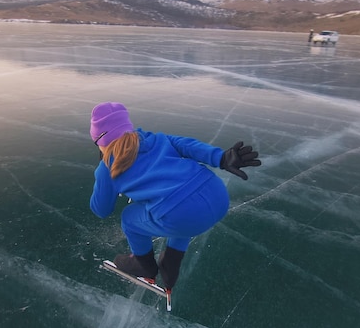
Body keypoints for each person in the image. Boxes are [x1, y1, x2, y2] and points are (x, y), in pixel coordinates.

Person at [89, 102, 261, 292]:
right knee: (179, 203)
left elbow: (101, 209)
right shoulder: (155, 139)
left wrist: (102, 178)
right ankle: (171, 261)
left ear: (100, 142)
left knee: (130, 217)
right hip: (218, 195)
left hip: (184, 216)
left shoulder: (107, 168)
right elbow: (187, 145)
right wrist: (220, 157)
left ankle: (143, 264)